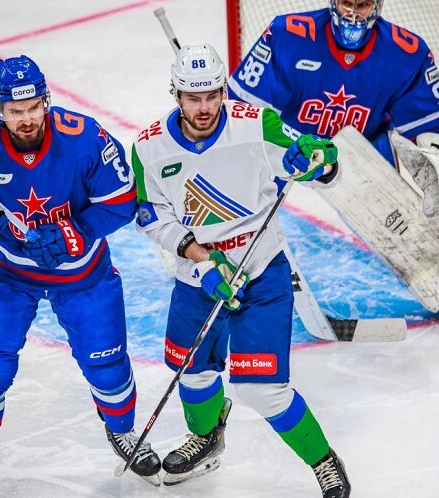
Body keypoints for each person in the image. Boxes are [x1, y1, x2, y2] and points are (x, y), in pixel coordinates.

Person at [131, 43, 351, 497]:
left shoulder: (256, 125)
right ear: (176, 94)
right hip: (197, 277)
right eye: (193, 98)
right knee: (192, 372)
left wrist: (317, 159)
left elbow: (320, 167)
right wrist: (203, 261)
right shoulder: (148, 148)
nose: (204, 108)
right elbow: (152, 216)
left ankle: (324, 461)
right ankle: (207, 438)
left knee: (262, 390)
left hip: (260, 272)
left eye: (212, 95)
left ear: (223, 92)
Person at [0, 56, 160, 496]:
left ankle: (122, 431)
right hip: (6, 275)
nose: (26, 119)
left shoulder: (86, 139)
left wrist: (74, 234)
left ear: (46, 100)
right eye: (15, 111)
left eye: (33, 107)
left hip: (81, 274)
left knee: (107, 368)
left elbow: (122, 203)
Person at [228, 0, 439, 215]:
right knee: (244, 205)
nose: (353, 13)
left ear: (378, 4)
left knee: (394, 216)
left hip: (363, 143)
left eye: (362, 5)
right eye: (347, 2)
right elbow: (244, 105)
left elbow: (431, 120)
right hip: (293, 141)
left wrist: (436, 156)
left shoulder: (405, 54)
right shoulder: (288, 35)